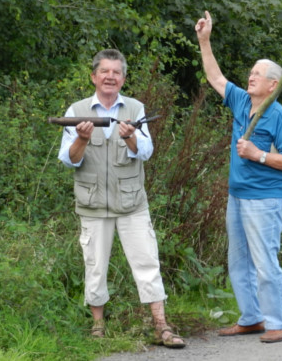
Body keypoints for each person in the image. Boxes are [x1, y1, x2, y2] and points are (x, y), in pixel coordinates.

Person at [57, 49, 185, 348]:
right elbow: (68, 160)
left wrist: (130, 136)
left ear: (123, 78)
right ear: (94, 76)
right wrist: (82, 138)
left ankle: (161, 326)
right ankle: (98, 328)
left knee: (147, 261)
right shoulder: (76, 111)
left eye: (116, 72)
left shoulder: (136, 109)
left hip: (131, 204)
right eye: (105, 71)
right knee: (95, 266)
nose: (110, 77)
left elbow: (146, 152)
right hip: (92, 204)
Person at [195, 11, 282, 343]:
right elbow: (215, 77)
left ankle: (280, 322)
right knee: (238, 261)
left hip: (266, 199)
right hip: (237, 195)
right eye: (251, 72)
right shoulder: (242, 102)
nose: (251, 76)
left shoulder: (280, 117)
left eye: (258, 74)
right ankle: (252, 317)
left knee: (264, 260)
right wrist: (204, 40)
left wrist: (259, 155)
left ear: (274, 84)